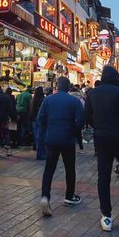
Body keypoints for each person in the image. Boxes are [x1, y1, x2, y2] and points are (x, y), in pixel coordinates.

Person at [84, 66, 119, 232]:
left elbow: (86, 117)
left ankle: (106, 216)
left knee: (103, 176)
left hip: (102, 139)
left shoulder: (93, 93)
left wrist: (98, 127)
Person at [38, 77, 84, 216]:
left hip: (52, 139)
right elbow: (81, 119)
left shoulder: (48, 100)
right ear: (68, 87)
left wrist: (48, 131)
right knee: (70, 168)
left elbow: (40, 119)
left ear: (57, 86)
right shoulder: (74, 101)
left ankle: (45, 196)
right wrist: (74, 131)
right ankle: (69, 196)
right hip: (68, 140)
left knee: (49, 169)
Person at [0, 86, 12, 156]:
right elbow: (10, 107)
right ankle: (8, 150)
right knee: (6, 132)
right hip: (5, 118)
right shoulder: (6, 97)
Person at [69, 85, 85, 154]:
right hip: (78, 118)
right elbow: (84, 107)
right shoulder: (80, 98)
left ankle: (71, 148)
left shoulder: (68, 97)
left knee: (70, 134)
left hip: (70, 118)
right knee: (79, 134)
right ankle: (81, 148)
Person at [29, 86, 45, 158]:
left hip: (35, 119)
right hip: (41, 119)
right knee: (41, 136)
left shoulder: (33, 100)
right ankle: (41, 153)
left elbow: (31, 110)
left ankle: (38, 151)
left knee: (36, 136)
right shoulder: (43, 99)